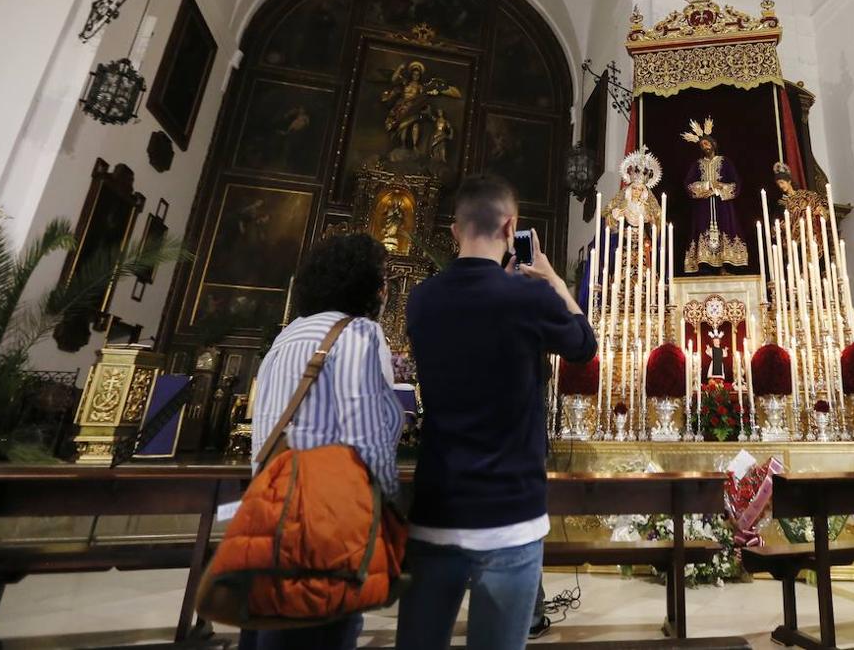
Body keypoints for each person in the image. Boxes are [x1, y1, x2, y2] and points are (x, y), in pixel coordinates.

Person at [397, 174, 597, 650]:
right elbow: (583, 346)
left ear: (453, 231)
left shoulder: (422, 299)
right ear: (512, 227)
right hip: (511, 510)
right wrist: (547, 276)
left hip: (437, 508)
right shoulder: (527, 297)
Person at [241, 233, 404, 650]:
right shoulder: (360, 336)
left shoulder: (289, 334)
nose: (385, 291)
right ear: (367, 287)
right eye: (382, 281)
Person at [681, 117, 748, 272]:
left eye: (707, 143)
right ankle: (705, 267)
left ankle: (725, 265)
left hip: (722, 204)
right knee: (702, 230)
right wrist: (707, 185)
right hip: (703, 205)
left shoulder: (725, 162)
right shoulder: (697, 164)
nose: (705, 146)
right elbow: (688, 184)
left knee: (726, 229)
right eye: (702, 144)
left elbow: (736, 183)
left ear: (713, 144)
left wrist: (720, 189)